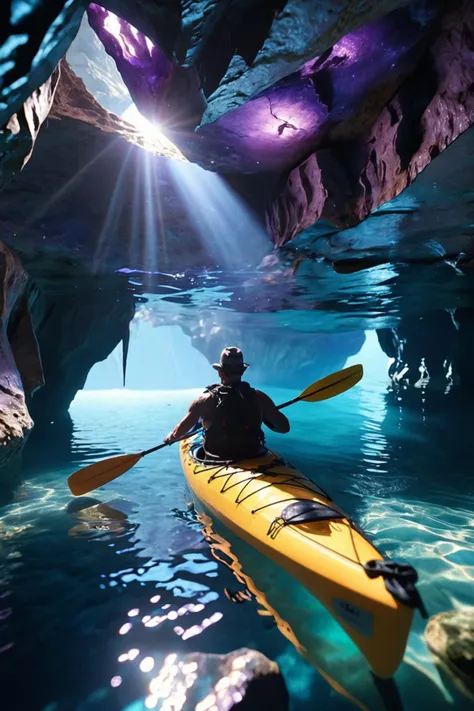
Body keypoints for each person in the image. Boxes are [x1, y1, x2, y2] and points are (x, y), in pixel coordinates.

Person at [164, 346, 290, 460]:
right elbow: (284, 428)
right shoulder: (260, 398)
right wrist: (265, 415)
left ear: (220, 372)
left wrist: (170, 437)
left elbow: (180, 431)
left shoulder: (204, 400)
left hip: (217, 458)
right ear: (242, 372)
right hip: (253, 455)